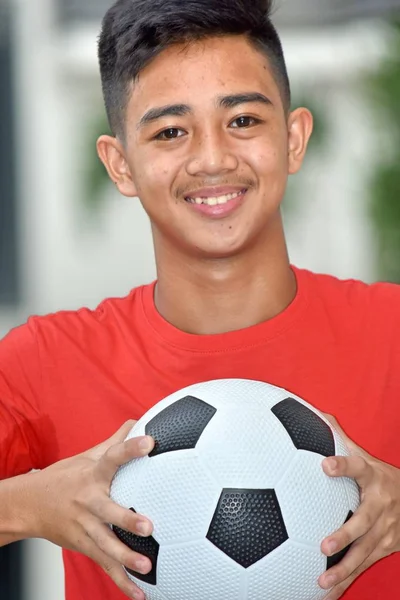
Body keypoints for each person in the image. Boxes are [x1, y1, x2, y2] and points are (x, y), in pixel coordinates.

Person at [1, 0, 400, 598]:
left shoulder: (391, 333)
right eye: (170, 132)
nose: (212, 159)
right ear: (120, 164)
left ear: (293, 138)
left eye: (242, 120)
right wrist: (33, 504)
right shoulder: (46, 360)